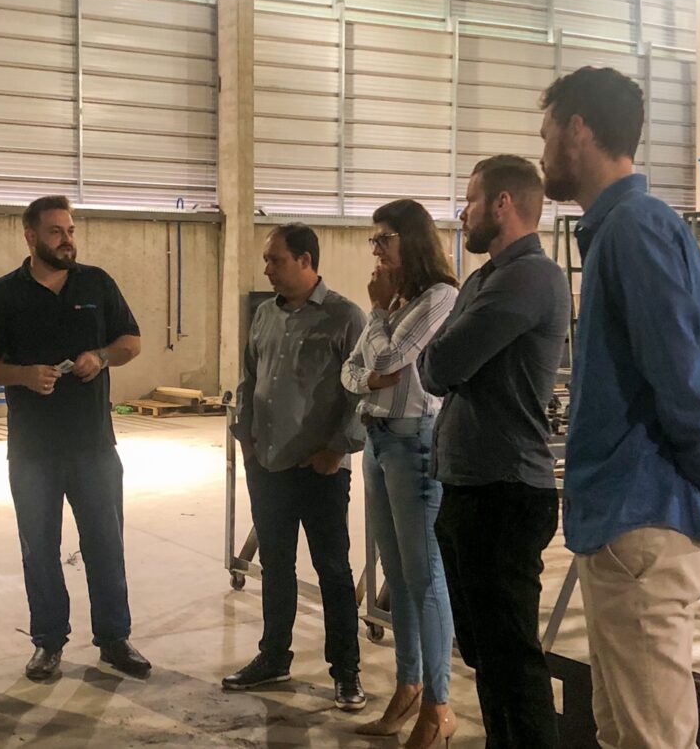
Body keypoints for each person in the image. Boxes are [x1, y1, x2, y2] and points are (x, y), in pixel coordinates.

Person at [540, 66, 700, 749]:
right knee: (624, 732)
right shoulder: (624, 230)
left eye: (547, 134)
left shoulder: (634, 230)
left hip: (642, 522)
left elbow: (684, 383)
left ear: (579, 131)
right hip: (628, 522)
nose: (543, 152)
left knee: (652, 740)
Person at [418, 155, 570, 748]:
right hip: (468, 486)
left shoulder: (530, 277)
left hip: (504, 493)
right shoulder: (485, 279)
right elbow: (439, 364)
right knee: (486, 657)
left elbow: (440, 365)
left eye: (472, 199)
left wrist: (441, 355)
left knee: (513, 662)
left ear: (503, 204)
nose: (463, 213)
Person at [0, 195, 148, 682]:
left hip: (94, 446)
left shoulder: (97, 283)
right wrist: (22, 375)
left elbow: (131, 341)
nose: (67, 240)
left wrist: (101, 357)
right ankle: (48, 642)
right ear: (30, 237)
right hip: (33, 451)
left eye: (70, 231)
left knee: (106, 545)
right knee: (39, 549)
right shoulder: (4, 294)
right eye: (56, 232)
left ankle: (114, 638)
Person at [226, 224, 368, 711]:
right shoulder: (264, 314)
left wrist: (337, 450)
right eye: (267, 260)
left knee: (332, 569)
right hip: (267, 464)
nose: (267, 268)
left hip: (319, 469)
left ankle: (346, 670)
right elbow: (250, 377)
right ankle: (273, 657)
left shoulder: (345, 317)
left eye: (276, 260)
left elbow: (361, 392)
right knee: (276, 566)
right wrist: (245, 436)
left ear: (306, 260)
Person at [341, 200, 459, 748]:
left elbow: (389, 361)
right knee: (396, 574)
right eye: (373, 240)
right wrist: (370, 374)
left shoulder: (439, 298)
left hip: (414, 445)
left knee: (424, 575)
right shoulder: (395, 302)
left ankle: (439, 703)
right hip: (377, 441)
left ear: (412, 240)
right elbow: (352, 372)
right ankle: (408, 685)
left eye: (383, 239)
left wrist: (378, 315)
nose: (376, 250)